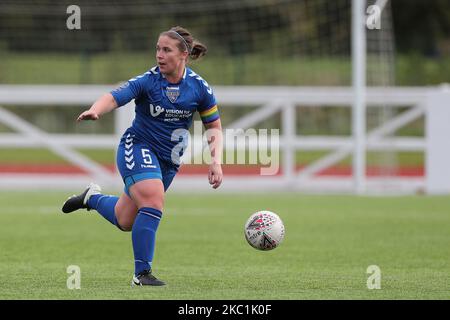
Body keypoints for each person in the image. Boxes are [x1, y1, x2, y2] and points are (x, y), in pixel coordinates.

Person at [61, 26, 223, 286]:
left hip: (168, 162)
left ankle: (91, 198)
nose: (159, 54)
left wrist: (216, 161)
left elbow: (213, 126)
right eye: (157, 48)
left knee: (125, 220)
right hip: (137, 147)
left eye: (166, 50)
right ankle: (142, 273)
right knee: (153, 200)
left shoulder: (200, 88)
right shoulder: (148, 81)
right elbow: (114, 97)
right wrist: (96, 110)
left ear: (184, 54)